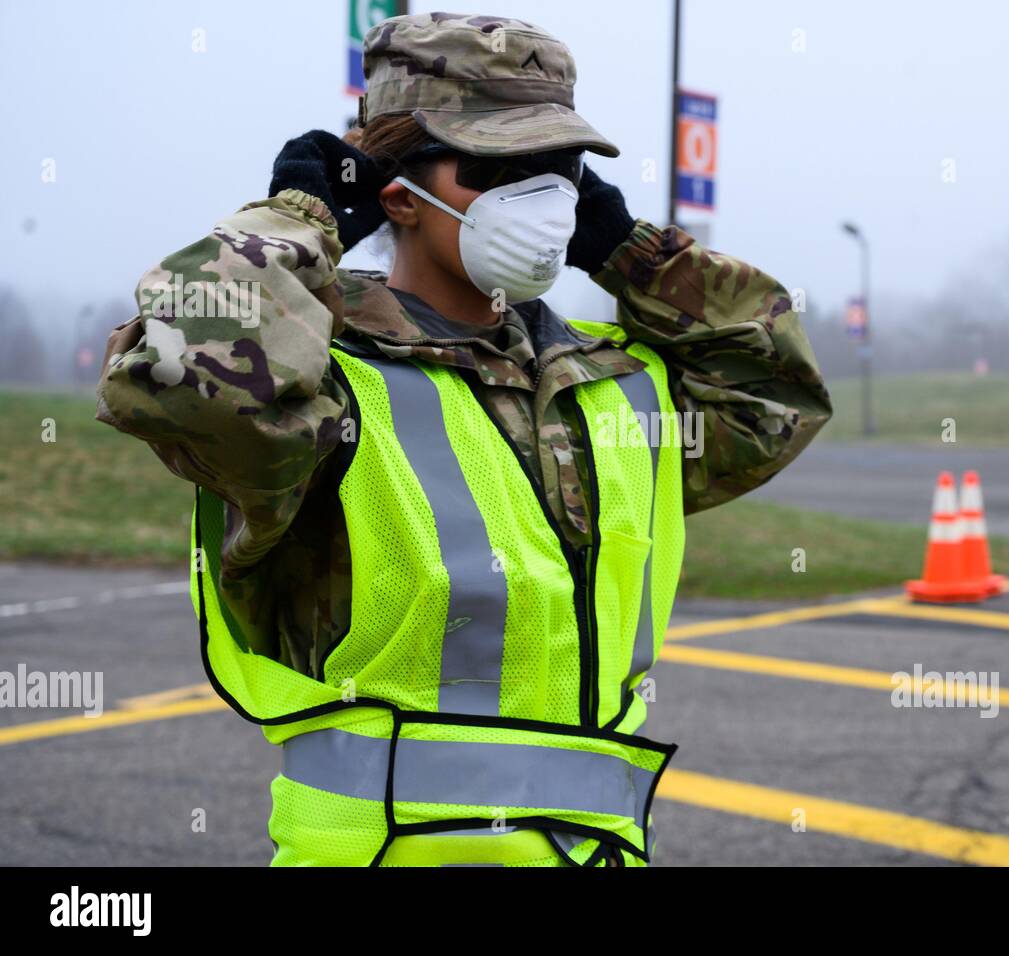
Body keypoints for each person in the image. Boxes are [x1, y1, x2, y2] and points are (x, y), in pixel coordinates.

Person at [95, 11, 831, 867]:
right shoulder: (322, 386)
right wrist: (297, 216)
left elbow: (773, 388)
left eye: (562, 170)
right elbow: (186, 368)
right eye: (499, 169)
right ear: (394, 192)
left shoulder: (613, 387)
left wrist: (631, 254)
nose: (545, 197)